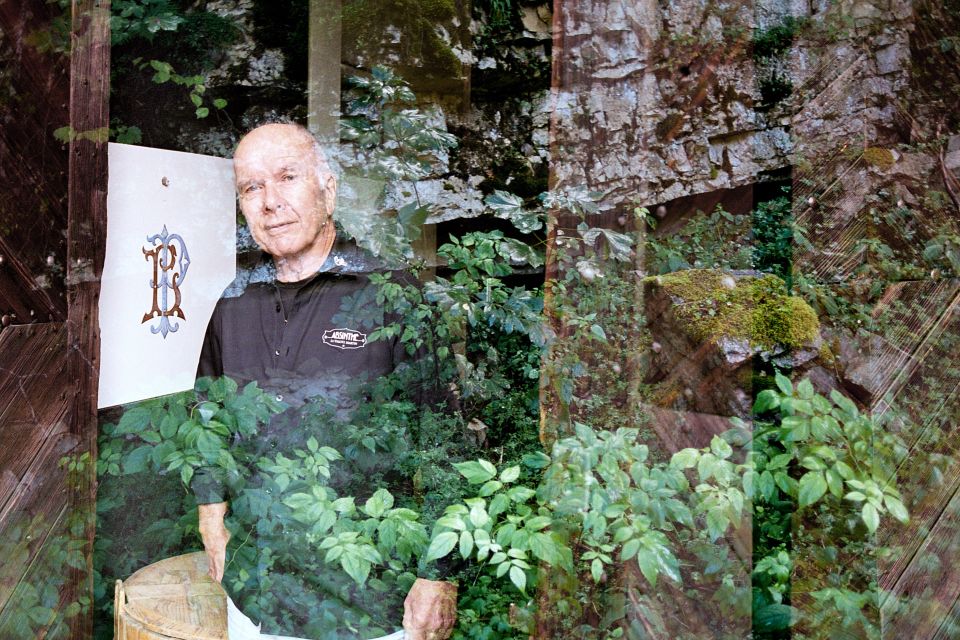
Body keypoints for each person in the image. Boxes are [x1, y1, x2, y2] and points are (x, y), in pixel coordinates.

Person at [194, 123, 457, 640]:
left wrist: (439, 577)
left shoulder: (388, 294)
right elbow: (207, 417)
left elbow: (445, 441)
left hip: (368, 604)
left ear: (327, 188)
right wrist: (210, 514)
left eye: (287, 177)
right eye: (251, 188)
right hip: (255, 596)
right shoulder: (234, 301)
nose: (270, 202)